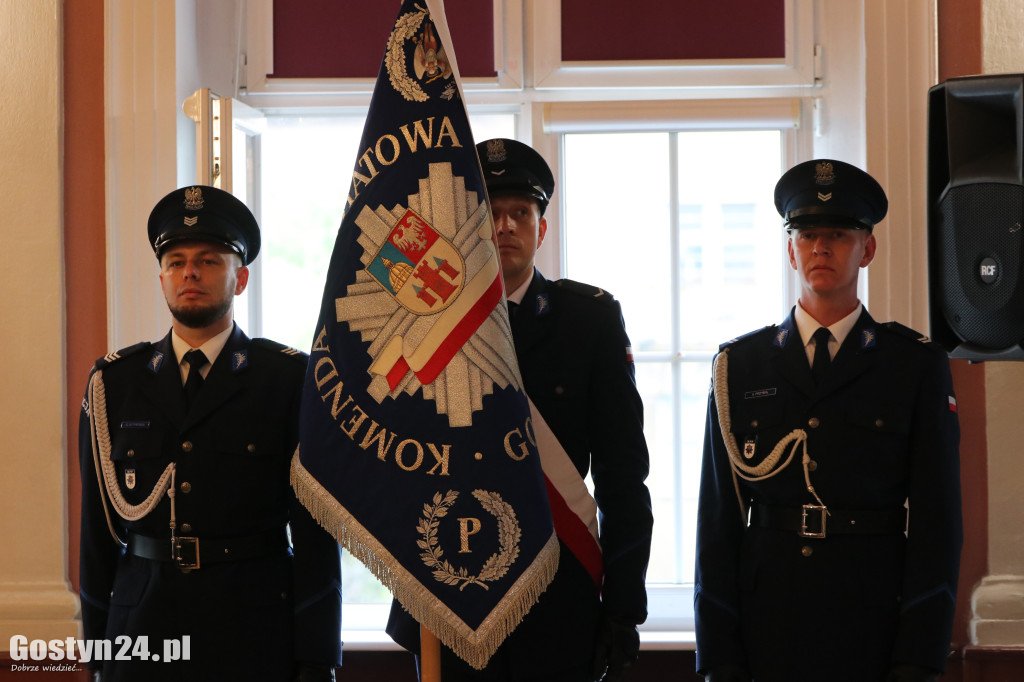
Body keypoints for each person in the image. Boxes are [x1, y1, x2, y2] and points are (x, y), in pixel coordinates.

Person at [386, 138, 654, 681]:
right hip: (450, 591)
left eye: (520, 213)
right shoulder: (420, 325)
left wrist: (624, 608)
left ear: (541, 229)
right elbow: (394, 468)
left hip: (557, 591)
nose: (505, 226)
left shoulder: (589, 322)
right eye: (490, 212)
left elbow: (623, 476)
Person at [694, 159, 963, 682]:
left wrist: (920, 656)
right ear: (789, 247)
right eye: (807, 233)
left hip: (873, 624)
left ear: (867, 249)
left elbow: (938, 521)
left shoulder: (913, 365)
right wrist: (720, 654)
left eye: (838, 234)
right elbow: (717, 523)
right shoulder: (740, 366)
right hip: (765, 625)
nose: (821, 247)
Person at [78, 185, 343, 682]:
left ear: (239, 279)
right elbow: (97, 533)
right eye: (175, 261)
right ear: (161, 278)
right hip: (143, 629)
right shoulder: (115, 383)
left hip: (253, 627)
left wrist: (317, 655)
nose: (190, 273)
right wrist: (98, 651)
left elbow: (315, 533)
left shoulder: (286, 379)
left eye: (208, 260)